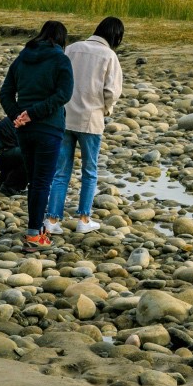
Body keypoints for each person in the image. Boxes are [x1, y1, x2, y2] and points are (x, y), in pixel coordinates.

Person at [46, 17, 124, 236]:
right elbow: (112, 92)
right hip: (91, 120)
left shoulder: (72, 48)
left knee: (61, 171)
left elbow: (57, 79)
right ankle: (84, 219)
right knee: (89, 171)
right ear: (116, 36)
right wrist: (107, 109)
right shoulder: (109, 55)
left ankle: (52, 220)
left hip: (65, 117)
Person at [0, 21, 74, 252]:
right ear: (61, 39)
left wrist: (17, 115)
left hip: (24, 131)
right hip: (48, 128)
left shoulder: (23, 57)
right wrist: (31, 114)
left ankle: (36, 229)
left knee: (34, 180)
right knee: (42, 182)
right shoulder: (61, 59)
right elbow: (64, 94)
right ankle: (34, 234)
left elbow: (5, 93)